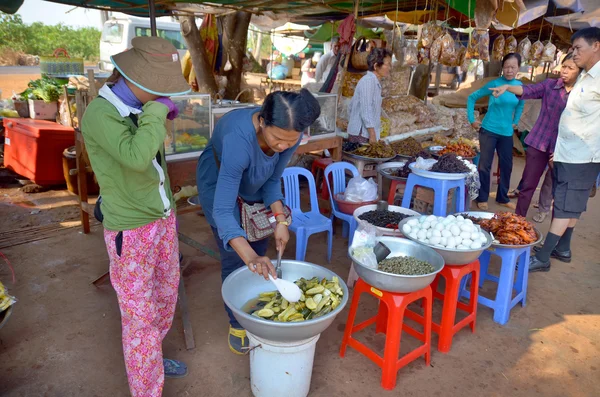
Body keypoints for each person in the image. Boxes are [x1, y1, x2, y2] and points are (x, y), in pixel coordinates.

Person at [81, 37, 191, 396]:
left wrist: (153, 112)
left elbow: (153, 166)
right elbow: (136, 157)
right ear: (134, 79)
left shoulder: (140, 109)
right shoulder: (101, 113)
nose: (163, 94)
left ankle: (151, 360)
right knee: (140, 318)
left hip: (161, 219)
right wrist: (158, 112)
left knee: (164, 297)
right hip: (131, 228)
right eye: (158, 87)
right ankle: (147, 387)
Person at [196, 89, 321, 354]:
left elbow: (273, 181)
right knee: (235, 254)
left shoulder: (290, 136)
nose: (282, 146)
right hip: (220, 181)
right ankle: (237, 321)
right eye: (277, 139)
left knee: (260, 243)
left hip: (255, 181)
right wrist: (250, 257)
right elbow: (222, 210)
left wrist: (280, 221)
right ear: (262, 121)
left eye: (290, 141)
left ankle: (255, 302)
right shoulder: (238, 140)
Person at [529, 27, 600, 272]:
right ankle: (563, 248)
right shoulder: (586, 75)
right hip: (569, 152)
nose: (574, 52)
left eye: (578, 48)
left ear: (596, 46)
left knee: (564, 206)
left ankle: (544, 257)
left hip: (583, 155)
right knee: (571, 203)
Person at [490, 53, 582, 219]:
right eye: (564, 66)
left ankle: (547, 216)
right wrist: (507, 87)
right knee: (528, 185)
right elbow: (528, 90)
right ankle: (519, 220)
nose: (565, 71)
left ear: (580, 72)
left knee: (556, 188)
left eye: (571, 68)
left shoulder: (582, 95)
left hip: (562, 149)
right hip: (539, 143)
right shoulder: (550, 85)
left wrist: (567, 149)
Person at [467, 53, 525, 210]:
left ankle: (502, 197)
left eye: (513, 67)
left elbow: (520, 105)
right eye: (506, 67)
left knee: (507, 165)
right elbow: (472, 97)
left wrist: (515, 122)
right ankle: (482, 197)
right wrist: (472, 120)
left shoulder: (519, 87)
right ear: (502, 68)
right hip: (488, 130)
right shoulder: (494, 84)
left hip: (506, 133)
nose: (509, 70)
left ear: (518, 68)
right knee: (484, 165)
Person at [346, 48, 392, 144]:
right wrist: (372, 134)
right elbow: (366, 110)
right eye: (387, 64)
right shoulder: (368, 81)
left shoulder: (374, 81)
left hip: (365, 133)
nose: (390, 68)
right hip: (361, 134)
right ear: (376, 66)